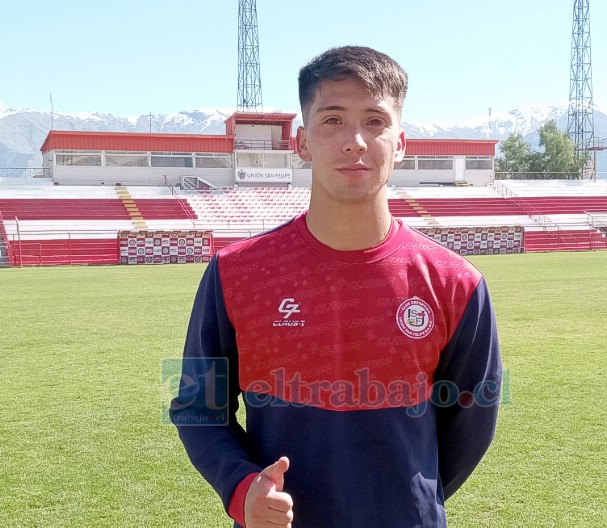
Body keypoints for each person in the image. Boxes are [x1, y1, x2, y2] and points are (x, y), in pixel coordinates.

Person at [171, 45, 501, 528]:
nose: (355, 141)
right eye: (332, 120)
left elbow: (470, 424)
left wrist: (406, 495)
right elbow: (198, 405)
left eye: (375, 121)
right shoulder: (235, 272)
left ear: (401, 142)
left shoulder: (456, 282)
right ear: (303, 142)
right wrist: (241, 486)